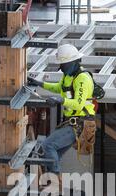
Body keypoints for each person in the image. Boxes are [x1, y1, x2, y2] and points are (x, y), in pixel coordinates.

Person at [27, 44, 96, 177]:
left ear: (73, 62)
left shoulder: (82, 79)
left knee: (48, 146)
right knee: (53, 153)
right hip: (71, 123)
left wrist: (60, 100)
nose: (62, 69)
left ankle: (54, 180)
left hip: (80, 124)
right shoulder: (68, 76)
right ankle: (53, 183)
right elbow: (59, 88)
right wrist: (39, 83)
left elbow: (78, 105)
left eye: (63, 66)